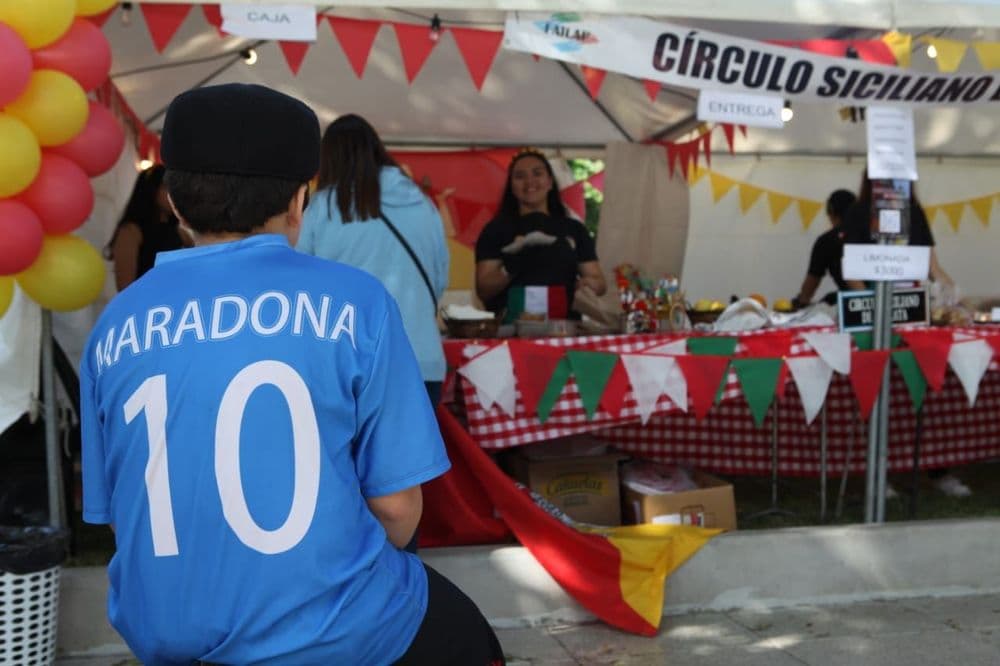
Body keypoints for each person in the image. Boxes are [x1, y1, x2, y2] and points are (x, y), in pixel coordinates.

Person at [80, 83, 505, 665]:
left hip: (162, 633)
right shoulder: (357, 303)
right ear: (299, 202)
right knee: (470, 638)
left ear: (174, 202)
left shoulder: (114, 325)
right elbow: (397, 512)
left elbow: (117, 518)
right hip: (332, 631)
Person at [296, 114, 448, 408]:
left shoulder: (323, 208)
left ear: (329, 158)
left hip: (350, 365)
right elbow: (440, 281)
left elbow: (303, 287)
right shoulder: (423, 204)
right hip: (423, 360)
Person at [843, 171, 969, 499]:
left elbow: (933, 268)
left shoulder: (915, 212)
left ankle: (937, 468)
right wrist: (871, 307)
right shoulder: (859, 212)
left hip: (915, 312)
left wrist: (953, 296)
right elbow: (852, 271)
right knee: (877, 395)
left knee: (925, 393)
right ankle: (878, 474)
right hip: (875, 316)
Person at [475, 149, 606, 319]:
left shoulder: (574, 229)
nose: (530, 181)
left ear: (550, 182)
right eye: (520, 176)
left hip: (564, 327)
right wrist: (511, 268)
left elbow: (599, 283)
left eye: (537, 173)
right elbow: (483, 290)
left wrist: (590, 284)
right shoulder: (495, 230)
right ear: (511, 187)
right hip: (512, 327)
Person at [104, 164, 191, 291]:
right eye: (167, 188)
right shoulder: (131, 232)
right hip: (147, 300)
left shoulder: (179, 233)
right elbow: (126, 288)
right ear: (151, 190)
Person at [791, 189, 856, 308]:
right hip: (883, 301)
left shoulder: (827, 241)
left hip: (854, 306)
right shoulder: (871, 235)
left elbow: (812, 282)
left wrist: (800, 301)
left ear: (831, 212)